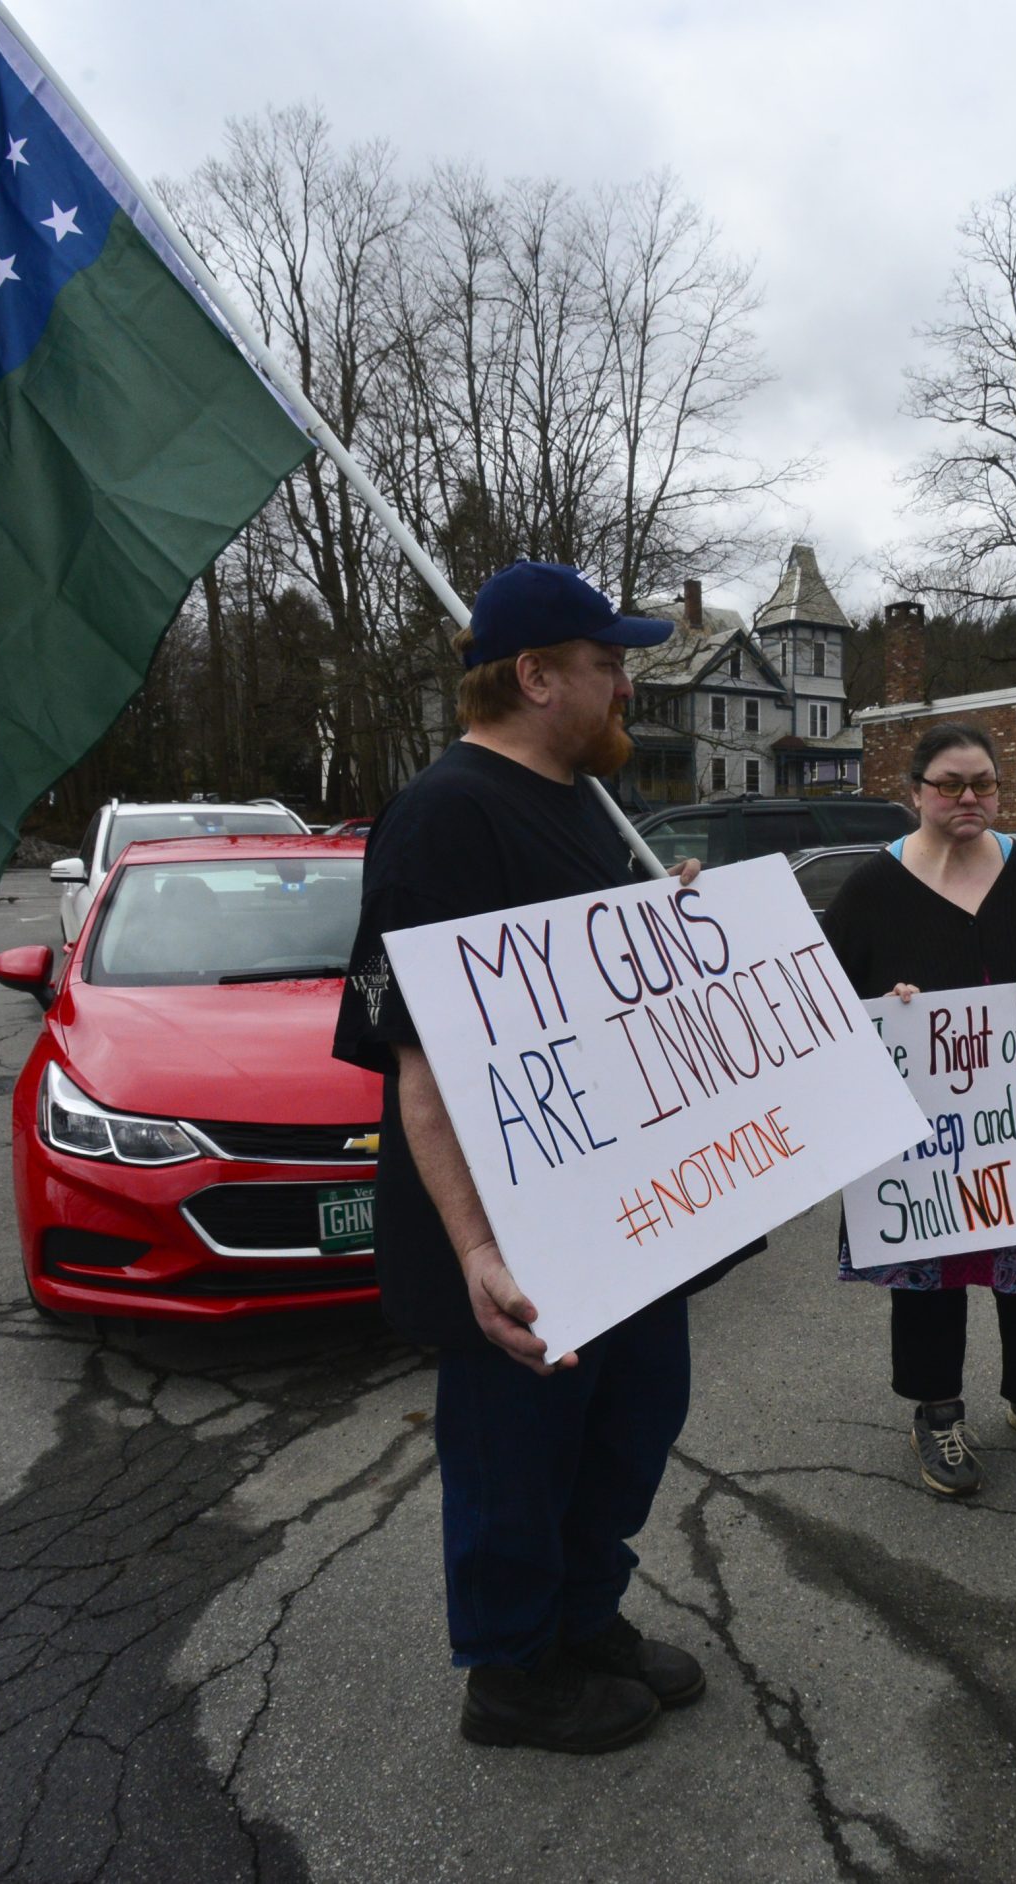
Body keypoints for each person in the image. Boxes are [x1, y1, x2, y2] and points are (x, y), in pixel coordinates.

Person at [331, 561, 707, 1754]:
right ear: (537, 676)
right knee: (518, 1459)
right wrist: (478, 1250)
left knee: (630, 1427)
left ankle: (581, 1618)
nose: (624, 688)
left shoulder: (586, 802)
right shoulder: (444, 816)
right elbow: (418, 1059)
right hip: (513, 1229)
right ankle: (511, 1671)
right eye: (606, 665)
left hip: (621, 1210)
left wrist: (674, 927)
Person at [820, 722, 1016, 1498]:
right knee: (931, 1279)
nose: (968, 798)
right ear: (916, 792)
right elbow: (827, 999)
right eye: (950, 784)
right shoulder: (874, 886)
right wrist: (885, 1007)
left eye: (982, 783)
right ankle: (937, 1412)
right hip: (928, 1136)